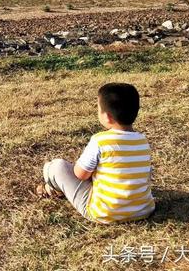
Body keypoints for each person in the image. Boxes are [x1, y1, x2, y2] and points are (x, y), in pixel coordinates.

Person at [37, 83, 155, 223]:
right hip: (143, 210)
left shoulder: (100, 140)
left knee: (56, 167)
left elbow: (80, 174)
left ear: (108, 117)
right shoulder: (142, 141)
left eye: (98, 109)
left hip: (104, 213)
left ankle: (51, 188)